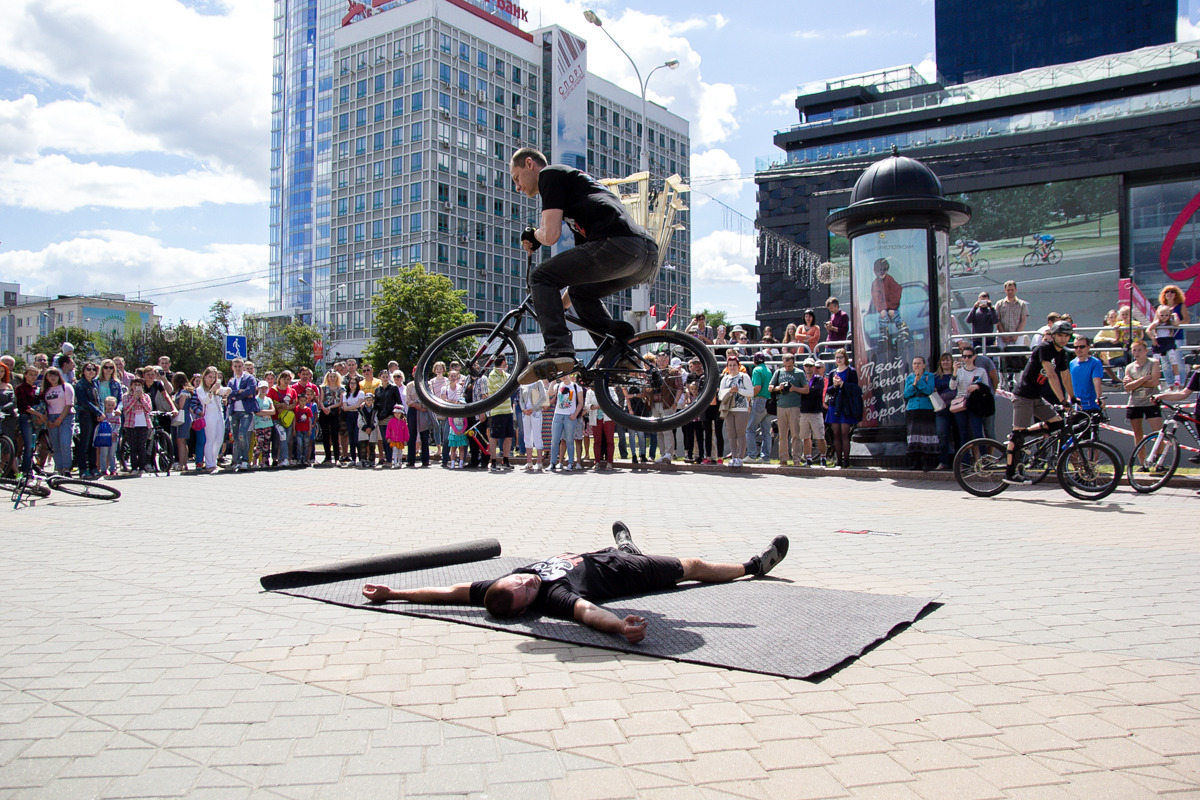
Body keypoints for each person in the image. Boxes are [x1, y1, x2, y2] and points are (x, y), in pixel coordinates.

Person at [362, 523, 790, 642]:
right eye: (527, 593)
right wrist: (622, 628)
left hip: (595, 554)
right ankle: (752, 567)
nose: (528, 583)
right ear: (528, 608)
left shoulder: (500, 585)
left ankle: (626, 545)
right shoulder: (552, 597)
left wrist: (394, 593)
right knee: (690, 565)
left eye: (520, 582)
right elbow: (587, 614)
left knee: (624, 549)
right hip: (620, 574)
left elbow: (448, 594)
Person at [511, 148, 656, 384]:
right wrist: (554, 306)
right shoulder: (578, 199)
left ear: (529, 164)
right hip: (643, 256)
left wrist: (533, 234)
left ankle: (559, 350)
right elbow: (579, 277)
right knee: (580, 292)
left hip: (618, 245)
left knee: (539, 276)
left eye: (516, 178)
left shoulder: (550, 174)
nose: (518, 187)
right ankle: (620, 352)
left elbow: (550, 235)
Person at [1004, 320, 1075, 484]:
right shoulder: (1044, 348)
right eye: (1060, 335)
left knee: (1057, 424)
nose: (1063, 339)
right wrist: (1062, 400)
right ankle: (1009, 474)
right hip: (1023, 396)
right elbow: (1051, 374)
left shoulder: (1062, 354)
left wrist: (1073, 396)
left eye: (1066, 336)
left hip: (1036, 397)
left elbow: (1065, 375)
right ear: (1054, 335)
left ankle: (1021, 435)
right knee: (1018, 436)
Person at [1124, 340, 1163, 458]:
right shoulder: (1129, 367)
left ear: (1146, 351)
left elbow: (1154, 382)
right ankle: (1142, 462)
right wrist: (1143, 379)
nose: (1136, 353)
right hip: (1134, 403)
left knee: (1158, 433)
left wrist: (1135, 383)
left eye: (1139, 350)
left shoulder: (1153, 363)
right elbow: (1127, 387)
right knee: (1138, 434)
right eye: (1134, 350)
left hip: (1151, 402)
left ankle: (1158, 459)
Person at [823, 349, 860, 468]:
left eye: (841, 357)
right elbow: (828, 390)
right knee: (836, 433)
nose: (839, 359)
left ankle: (846, 460)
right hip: (834, 404)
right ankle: (838, 460)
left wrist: (842, 384)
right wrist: (834, 385)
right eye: (837, 357)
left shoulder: (851, 371)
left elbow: (855, 388)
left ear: (845, 358)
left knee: (845, 433)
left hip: (846, 405)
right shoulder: (833, 372)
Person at [718, 353, 754, 468]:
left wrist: (738, 390)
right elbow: (720, 395)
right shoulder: (725, 378)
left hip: (741, 409)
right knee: (731, 434)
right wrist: (730, 391)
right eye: (730, 365)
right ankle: (733, 456)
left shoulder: (744, 377)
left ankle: (740, 457)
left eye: (734, 365)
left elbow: (751, 393)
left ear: (738, 366)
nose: (732, 367)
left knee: (740, 433)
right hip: (729, 409)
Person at [769, 353, 805, 467]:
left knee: (795, 434)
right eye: (785, 365)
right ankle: (783, 458)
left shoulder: (799, 373)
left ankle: (796, 459)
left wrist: (794, 388)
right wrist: (778, 388)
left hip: (794, 406)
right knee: (782, 435)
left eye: (789, 366)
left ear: (793, 363)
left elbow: (806, 389)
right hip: (781, 406)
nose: (787, 368)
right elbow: (770, 387)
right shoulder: (779, 372)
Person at [903, 356, 938, 470]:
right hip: (912, 408)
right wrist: (914, 383)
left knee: (926, 434)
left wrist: (920, 382)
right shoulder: (909, 378)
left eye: (919, 363)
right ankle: (915, 461)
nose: (916, 366)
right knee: (914, 435)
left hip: (926, 407)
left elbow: (929, 390)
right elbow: (906, 394)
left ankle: (927, 462)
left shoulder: (930, 376)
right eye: (914, 363)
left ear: (924, 365)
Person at [950, 346, 991, 445]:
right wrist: (954, 372)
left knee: (978, 433)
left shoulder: (981, 371)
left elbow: (987, 388)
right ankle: (964, 459)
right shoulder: (959, 370)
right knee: (963, 433)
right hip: (961, 402)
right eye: (964, 356)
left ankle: (984, 458)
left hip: (975, 403)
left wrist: (977, 386)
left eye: (969, 356)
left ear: (974, 357)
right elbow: (952, 387)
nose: (966, 359)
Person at [995, 280, 1030, 386]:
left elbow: (1023, 320)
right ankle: (1002, 383)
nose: (1010, 292)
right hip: (1002, 336)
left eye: (1012, 290)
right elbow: (997, 320)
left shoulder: (1022, 304)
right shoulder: (1000, 304)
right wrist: (1003, 334)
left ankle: (1019, 383)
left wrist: (1016, 334)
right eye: (1008, 290)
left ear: (1016, 290)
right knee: (1002, 360)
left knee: (1018, 359)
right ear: (1005, 290)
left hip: (1017, 336)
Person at [1069, 337, 1106, 438]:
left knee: (1092, 439)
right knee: (1072, 440)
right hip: (1075, 407)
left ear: (1088, 347)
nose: (1079, 349)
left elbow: (1097, 380)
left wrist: (1099, 398)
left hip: (1091, 406)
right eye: (1076, 347)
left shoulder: (1095, 362)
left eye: (1082, 346)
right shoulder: (1072, 363)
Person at [41, 367, 74, 475]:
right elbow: (44, 405)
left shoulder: (66, 387)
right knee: (55, 444)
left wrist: (60, 419)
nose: (53, 377)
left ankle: (66, 468)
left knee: (65, 442)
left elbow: (69, 404)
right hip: (51, 417)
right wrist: (47, 420)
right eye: (50, 375)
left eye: (55, 375)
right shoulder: (45, 390)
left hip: (65, 416)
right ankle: (58, 467)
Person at [73, 362, 102, 478]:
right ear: (83, 371)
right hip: (85, 415)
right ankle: (83, 468)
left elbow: (99, 399)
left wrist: (101, 412)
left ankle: (93, 467)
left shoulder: (95, 383)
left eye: (93, 369)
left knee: (92, 443)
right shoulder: (80, 385)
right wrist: (98, 412)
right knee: (84, 443)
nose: (91, 371)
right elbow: (84, 402)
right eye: (88, 369)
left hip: (95, 415)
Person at [486, 356, 516, 471]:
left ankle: (505, 459)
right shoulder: (492, 375)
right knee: (495, 436)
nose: (506, 366)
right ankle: (493, 461)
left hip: (508, 409)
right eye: (505, 364)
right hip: (497, 411)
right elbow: (502, 389)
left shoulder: (505, 375)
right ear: (500, 364)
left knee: (509, 436)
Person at [549, 373, 583, 471]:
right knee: (555, 440)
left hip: (570, 416)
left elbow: (581, 402)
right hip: (558, 414)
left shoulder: (576, 387)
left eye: (564, 374)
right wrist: (552, 381)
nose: (562, 377)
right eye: (560, 375)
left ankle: (570, 463)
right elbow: (550, 394)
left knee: (569, 440)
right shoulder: (558, 385)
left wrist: (575, 414)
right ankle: (552, 463)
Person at [195, 367, 226, 474]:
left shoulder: (216, 387)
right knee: (210, 440)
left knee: (219, 439)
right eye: (209, 377)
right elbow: (205, 401)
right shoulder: (200, 389)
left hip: (219, 414)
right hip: (209, 415)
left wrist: (227, 391)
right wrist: (211, 391)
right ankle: (209, 463)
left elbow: (224, 391)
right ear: (205, 377)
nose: (211, 379)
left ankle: (214, 460)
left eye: (213, 377)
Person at [746, 352, 775, 464]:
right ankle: (766, 457)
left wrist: (749, 396)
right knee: (766, 431)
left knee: (750, 429)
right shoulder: (768, 371)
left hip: (759, 400)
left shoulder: (756, 370)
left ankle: (752, 455)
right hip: (768, 402)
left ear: (754, 361)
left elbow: (757, 387)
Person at [869, 258, 907, 342]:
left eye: (885, 270)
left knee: (896, 316)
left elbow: (896, 292)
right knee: (883, 318)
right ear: (875, 272)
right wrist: (881, 309)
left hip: (892, 306)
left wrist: (892, 307)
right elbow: (876, 298)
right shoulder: (875, 283)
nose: (882, 273)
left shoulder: (890, 280)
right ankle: (884, 334)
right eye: (880, 271)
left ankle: (903, 330)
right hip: (884, 308)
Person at [121, 378, 154, 476]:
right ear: (131, 386)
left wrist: (141, 399)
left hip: (144, 424)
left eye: (139, 385)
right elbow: (126, 409)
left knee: (142, 446)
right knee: (133, 447)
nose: (136, 387)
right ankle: (134, 467)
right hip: (131, 424)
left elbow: (148, 409)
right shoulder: (126, 396)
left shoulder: (146, 396)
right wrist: (134, 398)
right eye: (135, 385)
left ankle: (142, 467)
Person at [1146, 304, 1184, 388]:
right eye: (1162, 315)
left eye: (1166, 315)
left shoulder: (1170, 321)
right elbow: (1148, 330)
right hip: (1159, 341)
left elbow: (1177, 324)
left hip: (1168, 340)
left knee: (1172, 357)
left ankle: (1177, 377)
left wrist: (1175, 315)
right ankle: (1154, 379)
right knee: (1156, 360)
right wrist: (1153, 339)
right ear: (1158, 315)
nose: (1164, 317)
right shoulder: (1157, 322)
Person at [932, 353, 957, 470]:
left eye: (947, 360)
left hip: (957, 408)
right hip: (942, 409)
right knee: (942, 435)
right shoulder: (936, 377)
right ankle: (943, 462)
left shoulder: (957, 374)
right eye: (943, 361)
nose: (945, 363)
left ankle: (960, 462)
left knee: (959, 435)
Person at [518, 379, 548, 472]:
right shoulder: (523, 383)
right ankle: (529, 462)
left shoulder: (538, 382)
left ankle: (539, 462)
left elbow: (543, 397)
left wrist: (533, 408)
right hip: (526, 413)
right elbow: (521, 399)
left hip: (536, 412)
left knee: (537, 436)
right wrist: (523, 409)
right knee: (527, 437)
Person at [318, 369, 344, 465]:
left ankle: (337, 458)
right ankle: (328, 457)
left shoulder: (341, 388)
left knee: (334, 435)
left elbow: (340, 402)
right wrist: (324, 408)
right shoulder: (323, 387)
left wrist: (330, 407)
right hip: (324, 412)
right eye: (330, 376)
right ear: (327, 377)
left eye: (334, 376)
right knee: (325, 435)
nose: (332, 378)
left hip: (335, 412)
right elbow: (320, 400)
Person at [342, 376, 366, 467]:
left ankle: (361, 458)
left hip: (357, 415)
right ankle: (353, 458)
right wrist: (353, 407)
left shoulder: (360, 393)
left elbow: (359, 405)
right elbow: (344, 408)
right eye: (351, 383)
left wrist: (350, 407)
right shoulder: (345, 394)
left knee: (357, 438)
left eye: (354, 383)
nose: (352, 385)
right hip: (349, 416)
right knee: (351, 439)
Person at [96, 395, 121, 477]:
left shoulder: (116, 415)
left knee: (112, 454)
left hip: (114, 437)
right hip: (104, 436)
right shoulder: (103, 415)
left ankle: (113, 469)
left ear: (115, 405)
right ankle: (103, 469)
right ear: (105, 405)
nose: (110, 407)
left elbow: (118, 425)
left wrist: (114, 433)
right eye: (108, 405)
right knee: (103, 454)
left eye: (112, 405)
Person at [252, 382, 275, 468]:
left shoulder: (268, 400)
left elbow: (273, 411)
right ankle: (254, 461)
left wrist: (264, 412)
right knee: (259, 444)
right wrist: (266, 412)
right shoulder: (255, 399)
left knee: (266, 444)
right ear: (258, 389)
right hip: (259, 425)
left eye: (265, 388)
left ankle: (263, 462)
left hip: (268, 424)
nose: (263, 390)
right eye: (262, 388)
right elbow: (257, 412)